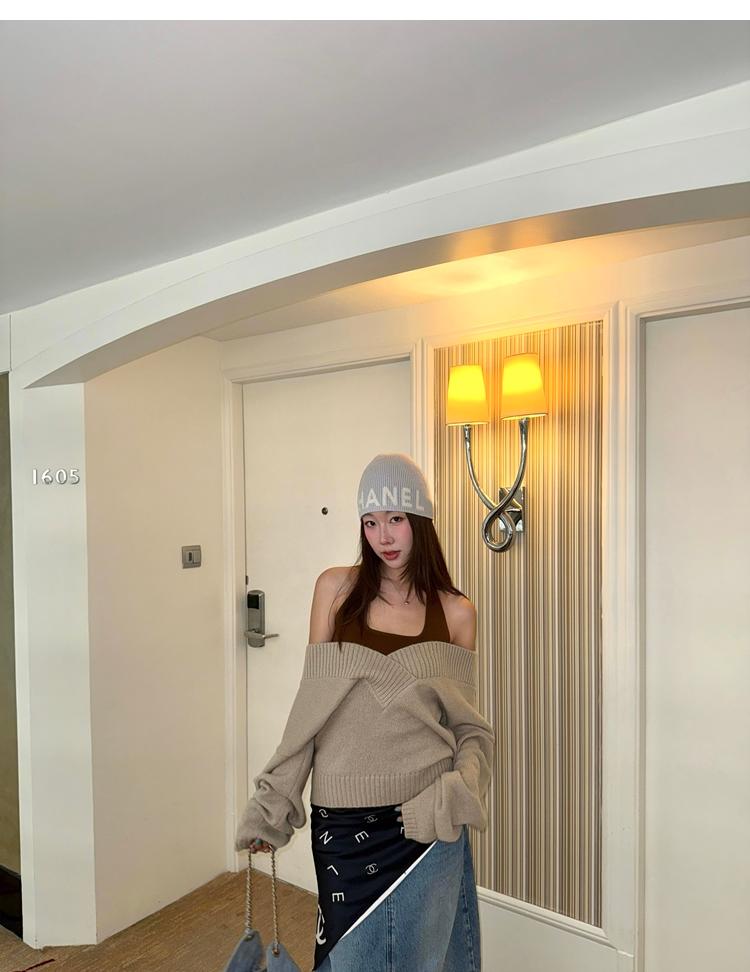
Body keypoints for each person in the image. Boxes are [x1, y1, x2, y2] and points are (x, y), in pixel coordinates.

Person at [235, 453, 495, 971]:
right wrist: (273, 804)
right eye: (371, 522)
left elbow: (471, 731)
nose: (383, 536)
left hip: (426, 822)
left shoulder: (456, 612)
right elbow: (309, 713)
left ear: (420, 520)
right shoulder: (336, 591)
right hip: (342, 824)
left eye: (396, 518)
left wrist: (453, 795)